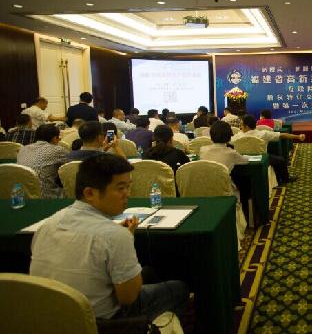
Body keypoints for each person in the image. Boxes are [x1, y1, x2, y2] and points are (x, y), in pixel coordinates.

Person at [30, 153, 189, 321]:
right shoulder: (115, 236)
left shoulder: (48, 225)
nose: (127, 194)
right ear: (90, 193)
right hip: (101, 323)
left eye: (128, 187)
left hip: (50, 317)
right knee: (179, 289)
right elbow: (128, 298)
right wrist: (126, 241)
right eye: (120, 188)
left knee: (149, 272)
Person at [199, 121, 249, 238]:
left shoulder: (202, 149)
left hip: (203, 189)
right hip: (224, 190)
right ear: (229, 135)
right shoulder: (231, 153)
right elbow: (245, 161)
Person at [230, 115, 305, 184]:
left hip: (242, 160)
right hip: (262, 159)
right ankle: (285, 179)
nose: (240, 126)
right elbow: (282, 135)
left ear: (246, 126)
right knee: (281, 160)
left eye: (241, 124)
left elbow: (228, 141)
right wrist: (298, 137)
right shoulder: (263, 134)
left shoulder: (237, 136)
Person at [16, 124, 69, 198]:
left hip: (23, 196)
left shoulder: (23, 149)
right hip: (46, 196)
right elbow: (70, 166)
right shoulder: (57, 150)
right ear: (54, 138)